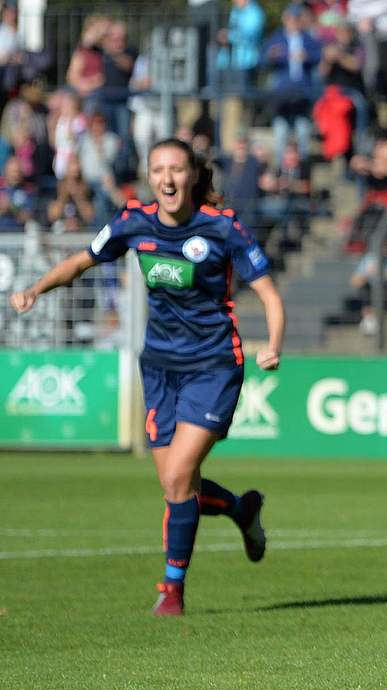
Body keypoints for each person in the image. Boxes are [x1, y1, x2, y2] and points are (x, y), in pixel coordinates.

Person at [9, 138, 286, 616]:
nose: (167, 179)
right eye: (158, 170)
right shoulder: (133, 221)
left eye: (176, 169)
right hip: (159, 367)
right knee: (178, 486)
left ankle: (171, 590)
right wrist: (36, 289)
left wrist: (275, 345)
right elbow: (81, 261)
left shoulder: (222, 228)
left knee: (179, 477)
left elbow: (269, 294)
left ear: (193, 176)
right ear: (150, 177)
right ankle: (243, 509)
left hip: (214, 365)